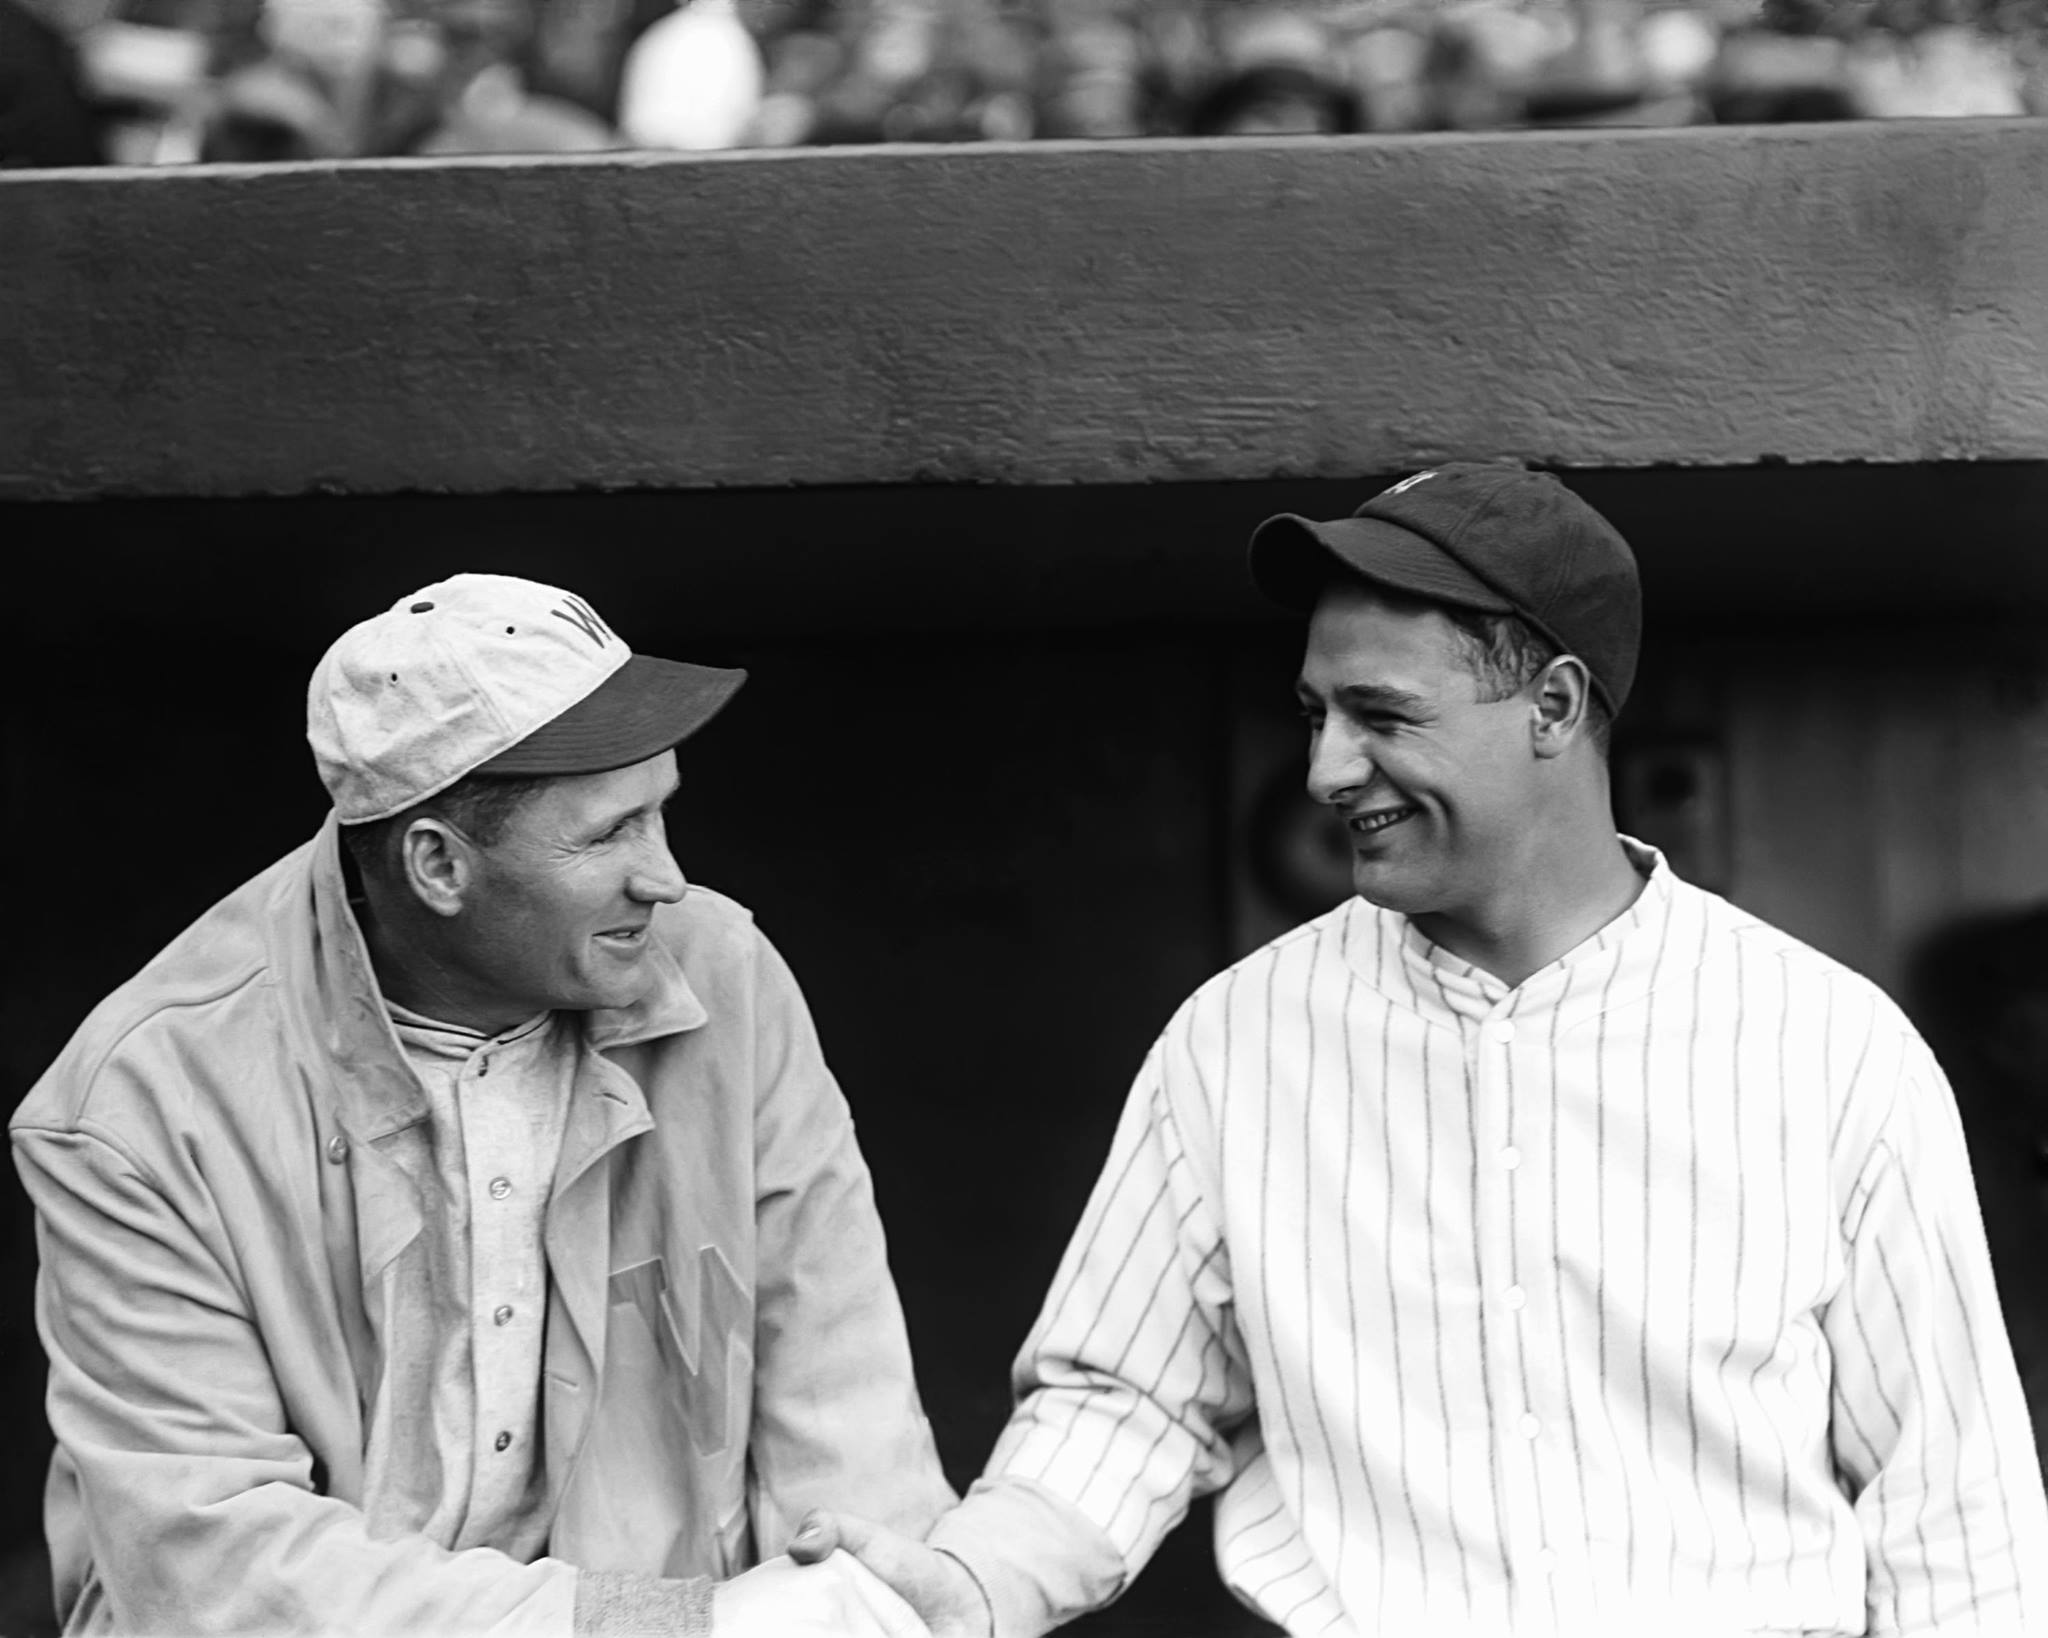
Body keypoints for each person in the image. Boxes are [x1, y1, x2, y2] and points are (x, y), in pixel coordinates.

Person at [791, 462, 2048, 1636]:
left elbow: (1949, 1507)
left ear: (1551, 706)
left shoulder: (1825, 1046)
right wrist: (973, 1582)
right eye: (1314, 714)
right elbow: (1125, 1402)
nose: (1329, 768)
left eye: (1379, 714)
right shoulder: (1236, 1042)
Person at [11, 573, 952, 1636]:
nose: (667, 879)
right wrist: (681, 1626)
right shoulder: (141, 1104)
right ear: (438, 866)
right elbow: (216, 1572)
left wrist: (880, 1600)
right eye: (610, 835)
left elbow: (840, 1394)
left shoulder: (723, 981)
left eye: (662, 813)